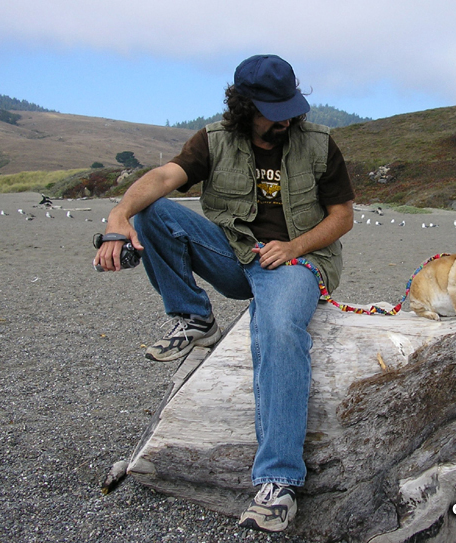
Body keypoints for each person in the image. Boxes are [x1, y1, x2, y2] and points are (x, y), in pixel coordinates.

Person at [94, 54, 355, 533]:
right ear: (244, 105)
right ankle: (196, 319)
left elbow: (342, 216)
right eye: (272, 109)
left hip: (297, 262)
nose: (285, 117)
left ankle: (277, 483)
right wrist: (119, 216)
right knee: (153, 213)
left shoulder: (317, 143)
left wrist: (294, 245)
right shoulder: (214, 139)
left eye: (289, 106)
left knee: (277, 330)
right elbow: (163, 179)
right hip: (234, 255)